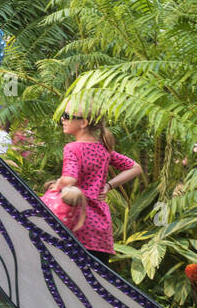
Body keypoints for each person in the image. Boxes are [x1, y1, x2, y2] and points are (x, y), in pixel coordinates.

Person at [55, 110, 143, 264]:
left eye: (67, 116)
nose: (62, 119)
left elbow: (69, 179)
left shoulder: (72, 148)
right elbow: (136, 168)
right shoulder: (104, 150)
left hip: (76, 224)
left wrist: (55, 185)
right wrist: (108, 186)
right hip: (100, 228)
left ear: (83, 123)